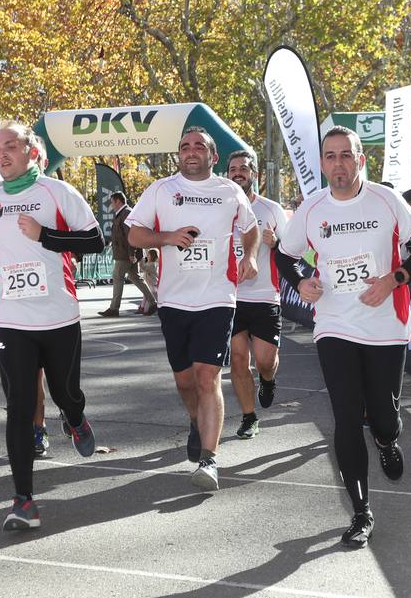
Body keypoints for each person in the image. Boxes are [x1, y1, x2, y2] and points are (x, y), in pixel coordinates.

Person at [277, 126, 411, 548]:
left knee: (382, 415)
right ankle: (361, 511)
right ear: (323, 163)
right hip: (334, 325)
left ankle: (387, 437)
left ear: (360, 160)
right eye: (330, 156)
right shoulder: (311, 209)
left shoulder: (387, 201)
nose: (338, 164)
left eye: (346, 155)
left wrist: (394, 278)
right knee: (346, 415)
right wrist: (299, 282)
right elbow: (284, 253)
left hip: (386, 326)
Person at [0, 124, 104, 531]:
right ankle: (23, 500)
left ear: (32, 150)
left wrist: (45, 235)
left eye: (11, 146)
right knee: (19, 408)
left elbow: (95, 242)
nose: (3, 154)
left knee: (66, 392)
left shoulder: (57, 193)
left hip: (59, 315)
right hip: (13, 320)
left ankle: (76, 418)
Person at [126, 127, 259, 491]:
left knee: (207, 377)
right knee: (185, 380)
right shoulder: (161, 190)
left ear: (213, 157)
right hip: (173, 299)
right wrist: (166, 237)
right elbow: (134, 234)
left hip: (217, 297)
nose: (190, 151)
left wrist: (249, 256)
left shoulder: (229, 191)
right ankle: (194, 419)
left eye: (199, 146)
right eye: (184, 146)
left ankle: (209, 460)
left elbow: (251, 229)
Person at [226, 150, 289, 440]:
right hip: (231, 298)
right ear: (227, 174)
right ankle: (249, 417)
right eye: (233, 168)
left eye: (244, 168)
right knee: (238, 360)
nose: (238, 172)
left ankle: (268, 379)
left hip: (265, 297)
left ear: (254, 174)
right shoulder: (221, 208)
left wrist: (276, 243)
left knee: (264, 361)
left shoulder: (271, 209)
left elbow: (294, 251)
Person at [99, 191, 156, 316]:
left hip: (126, 254)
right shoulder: (123, 213)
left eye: (112, 202)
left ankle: (114, 308)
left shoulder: (126, 214)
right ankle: (153, 302)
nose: (111, 205)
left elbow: (131, 236)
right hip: (126, 253)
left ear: (118, 201)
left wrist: (132, 253)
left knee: (117, 276)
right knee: (134, 277)